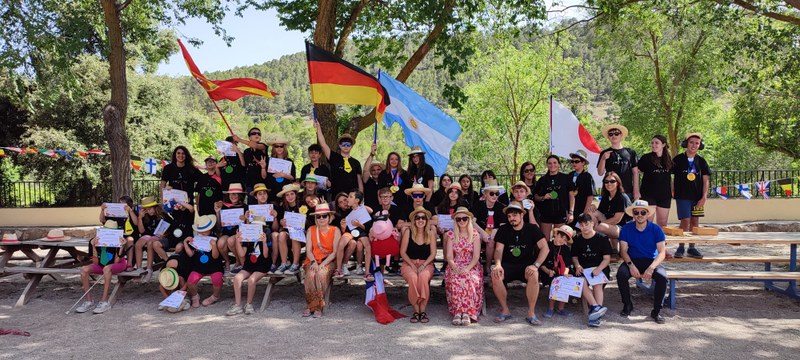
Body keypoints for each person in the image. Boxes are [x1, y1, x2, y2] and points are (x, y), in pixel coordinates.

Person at [491, 201, 549, 326]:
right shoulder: (503, 229)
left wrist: (536, 265)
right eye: (509, 216)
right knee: (496, 274)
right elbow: (498, 249)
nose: (512, 218)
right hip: (508, 264)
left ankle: (531, 313)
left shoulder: (532, 228)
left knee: (534, 274)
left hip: (526, 265)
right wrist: (498, 264)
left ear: (522, 215)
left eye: (515, 215)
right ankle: (505, 310)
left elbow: (545, 248)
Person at [617, 200, 668, 323]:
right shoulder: (626, 228)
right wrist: (630, 265)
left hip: (651, 261)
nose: (640, 214)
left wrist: (651, 268)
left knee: (662, 277)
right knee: (621, 275)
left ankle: (656, 311)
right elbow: (623, 250)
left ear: (647, 214)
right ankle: (627, 304)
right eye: (636, 212)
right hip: (632, 260)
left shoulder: (656, 229)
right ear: (633, 214)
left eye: (643, 212)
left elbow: (662, 252)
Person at [75, 220, 127, 314]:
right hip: (101, 265)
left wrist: (122, 247)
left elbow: (116, 261)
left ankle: (104, 301)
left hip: (118, 264)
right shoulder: (94, 241)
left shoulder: (119, 240)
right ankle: (89, 300)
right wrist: (94, 247)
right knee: (84, 270)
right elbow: (96, 262)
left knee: (107, 268)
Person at [672, 133, 710, 259]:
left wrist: (704, 197)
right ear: (686, 144)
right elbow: (668, 175)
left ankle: (692, 247)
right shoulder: (677, 160)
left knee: (695, 221)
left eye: (697, 143)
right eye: (691, 142)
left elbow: (705, 180)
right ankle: (681, 247)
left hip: (697, 197)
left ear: (700, 145)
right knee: (685, 220)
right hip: (682, 196)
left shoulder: (702, 161)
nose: (694, 145)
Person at [444, 207, 483, 326]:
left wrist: (467, 268)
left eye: (464, 218)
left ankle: (467, 312)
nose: (461, 221)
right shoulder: (451, 235)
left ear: (469, 220)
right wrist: (455, 267)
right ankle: (458, 311)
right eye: (459, 219)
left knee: (469, 278)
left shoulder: (475, 234)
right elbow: (449, 256)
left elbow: (476, 256)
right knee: (455, 278)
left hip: (472, 264)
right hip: (455, 263)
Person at [571, 213, 611, 327]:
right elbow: (574, 257)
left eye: (586, 224)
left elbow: (607, 258)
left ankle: (596, 314)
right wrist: (577, 265)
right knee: (582, 281)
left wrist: (599, 269)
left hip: (600, 267)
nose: (584, 227)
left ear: (592, 224)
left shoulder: (602, 238)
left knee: (597, 283)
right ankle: (596, 307)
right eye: (581, 225)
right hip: (583, 268)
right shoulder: (577, 239)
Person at [302, 203, 341, 318]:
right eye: (318, 216)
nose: (322, 218)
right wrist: (314, 262)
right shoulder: (311, 229)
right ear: (315, 218)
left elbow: (334, 252)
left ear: (329, 217)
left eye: (324, 216)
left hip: (328, 261)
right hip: (312, 260)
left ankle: (317, 306)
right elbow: (308, 250)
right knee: (310, 275)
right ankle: (311, 305)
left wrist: (322, 264)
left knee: (321, 274)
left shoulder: (335, 230)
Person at [227, 216, 271, 316]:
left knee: (252, 279)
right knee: (237, 278)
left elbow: (265, 255)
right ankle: (237, 305)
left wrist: (264, 243)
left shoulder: (266, 238)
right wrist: (238, 241)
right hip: (250, 265)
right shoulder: (249, 240)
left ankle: (249, 304)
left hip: (262, 265)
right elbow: (242, 254)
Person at [400, 207, 437, 324]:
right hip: (408, 262)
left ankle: (422, 310)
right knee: (413, 278)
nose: (420, 220)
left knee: (423, 277)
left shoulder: (430, 233)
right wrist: (411, 264)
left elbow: (433, 253)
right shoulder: (408, 232)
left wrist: (424, 265)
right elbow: (402, 252)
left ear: (426, 220)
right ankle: (416, 310)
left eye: (423, 218)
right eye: (417, 218)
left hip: (426, 263)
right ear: (414, 220)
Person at [184, 215, 224, 308]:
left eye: (205, 230)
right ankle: (195, 296)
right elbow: (190, 254)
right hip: (198, 267)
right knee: (190, 281)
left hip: (214, 266)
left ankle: (215, 296)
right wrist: (185, 243)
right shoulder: (196, 239)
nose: (203, 232)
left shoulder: (214, 238)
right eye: (201, 230)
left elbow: (215, 256)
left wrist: (214, 246)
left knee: (217, 279)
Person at [315, 121, 363, 196]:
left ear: (352, 146)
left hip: (353, 198)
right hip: (337, 196)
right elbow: (323, 144)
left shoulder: (356, 162)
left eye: (348, 144)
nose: (346, 146)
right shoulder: (334, 157)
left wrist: (361, 197)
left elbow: (359, 181)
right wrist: (318, 128)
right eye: (343, 144)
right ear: (339, 145)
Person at [533, 155, 576, 240]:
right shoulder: (542, 180)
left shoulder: (565, 178)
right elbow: (535, 196)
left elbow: (571, 196)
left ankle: (559, 254)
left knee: (560, 239)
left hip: (561, 213)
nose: (552, 165)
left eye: (555, 163)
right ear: (547, 165)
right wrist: (543, 197)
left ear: (559, 164)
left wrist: (571, 212)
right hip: (546, 213)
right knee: (544, 239)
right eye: (550, 163)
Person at [635, 135, 673, 227]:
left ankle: (661, 241)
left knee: (663, 224)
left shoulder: (668, 159)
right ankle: (646, 241)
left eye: (657, 143)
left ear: (663, 144)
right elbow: (636, 172)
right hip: (648, 195)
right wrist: (636, 190)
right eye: (652, 143)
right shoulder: (646, 158)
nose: (654, 145)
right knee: (647, 224)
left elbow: (671, 177)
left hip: (665, 196)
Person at [472, 180, 507, 274]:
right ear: (485, 194)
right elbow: (472, 222)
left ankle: (487, 265)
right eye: (492, 193)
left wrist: (493, 232)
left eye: (497, 193)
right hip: (479, 231)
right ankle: (476, 264)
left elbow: (502, 225)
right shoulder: (478, 205)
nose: (495, 196)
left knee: (491, 241)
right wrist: (482, 233)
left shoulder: (501, 207)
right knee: (476, 238)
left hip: (494, 232)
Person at [540, 225, 575, 319]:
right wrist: (548, 271)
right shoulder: (547, 245)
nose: (562, 241)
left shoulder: (565, 249)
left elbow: (567, 265)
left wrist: (565, 273)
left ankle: (561, 308)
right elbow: (541, 263)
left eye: (565, 240)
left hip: (562, 271)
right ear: (556, 234)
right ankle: (551, 308)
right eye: (561, 237)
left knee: (565, 280)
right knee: (555, 281)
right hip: (547, 272)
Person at [588, 171, 628, 251]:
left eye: (612, 181)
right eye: (606, 181)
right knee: (591, 212)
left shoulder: (622, 197)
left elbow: (617, 219)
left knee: (601, 227)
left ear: (618, 183)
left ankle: (602, 249)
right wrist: (592, 206)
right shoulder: (606, 196)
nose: (609, 183)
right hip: (610, 225)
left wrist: (597, 226)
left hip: (624, 228)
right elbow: (600, 213)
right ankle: (613, 250)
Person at [597, 124, 638, 200]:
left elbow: (635, 172)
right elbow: (600, 173)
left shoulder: (631, 152)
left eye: (616, 133)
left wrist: (636, 191)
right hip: (610, 191)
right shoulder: (604, 153)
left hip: (628, 191)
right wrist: (603, 159)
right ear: (608, 137)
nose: (614, 136)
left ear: (621, 135)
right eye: (611, 134)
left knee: (627, 212)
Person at [99, 196, 138, 270]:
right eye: (120, 203)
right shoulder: (115, 213)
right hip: (117, 235)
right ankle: (108, 263)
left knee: (129, 240)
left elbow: (136, 223)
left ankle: (129, 264)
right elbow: (102, 220)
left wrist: (130, 211)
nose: (121, 205)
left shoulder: (133, 212)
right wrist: (102, 210)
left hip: (130, 235)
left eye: (124, 204)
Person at [216, 183, 247, 273]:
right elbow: (219, 226)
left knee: (231, 240)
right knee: (221, 243)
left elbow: (248, 225)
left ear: (240, 195)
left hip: (239, 233)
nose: (233, 196)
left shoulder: (245, 207)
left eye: (236, 193)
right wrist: (217, 213)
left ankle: (238, 261)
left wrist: (244, 219)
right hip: (227, 233)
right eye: (231, 194)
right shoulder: (224, 207)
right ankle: (227, 261)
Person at [271, 183, 302, 275]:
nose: (290, 197)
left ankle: (295, 264)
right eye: (287, 195)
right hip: (288, 234)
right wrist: (281, 222)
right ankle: (284, 263)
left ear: (296, 194)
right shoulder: (282, 208)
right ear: (284, 197)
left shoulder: (302, 205)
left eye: (292, 194)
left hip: (302, 233)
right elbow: (278, 227)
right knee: (281, 235)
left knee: (295, 234)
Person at [233, 127, 268, 204]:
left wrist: (239, 140)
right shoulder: (247, 151)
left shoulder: (263, 147)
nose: (257, 135)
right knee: (252, 207)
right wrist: (238, 151)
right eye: (254, 133)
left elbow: (255, 145)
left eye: (259, 133)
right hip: (250, 184)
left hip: (262, 183)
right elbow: (243, 164)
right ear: (249, 137)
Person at [133, 196, 166, 273]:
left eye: (150, 209)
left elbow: (169, 227)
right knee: (138, 244)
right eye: (146, 209)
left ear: (155, 207)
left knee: (150, 242)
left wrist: (164, 234)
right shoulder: (145, 216)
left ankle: (149, 268)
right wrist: (140, 218)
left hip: (159, 235)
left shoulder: (163, 215)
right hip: (148, 235)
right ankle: (139, 268)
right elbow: (141, 231)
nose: (148, 211)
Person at [332, 192, 358, 277]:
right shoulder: (337, 216)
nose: (344, 203)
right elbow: (336, 232)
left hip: (356, 236)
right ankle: (340, 268)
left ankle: (342, 266)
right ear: (338, 205)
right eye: (341, 202)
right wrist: (342, 227)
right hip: (342, 239)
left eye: (345, 200)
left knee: (353, 243)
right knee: (348, 242)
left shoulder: (355, 210)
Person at [265, 135, 297, 201]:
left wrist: (283, 175)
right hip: (272, 191)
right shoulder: (269, 161)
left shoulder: (289, 161)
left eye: (281, 146)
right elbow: (265, 177)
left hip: (286, 192)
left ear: (284, 148)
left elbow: (293, 177)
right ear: (273, 148)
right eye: (276, 146)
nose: (279, 148)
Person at [568, 150, 596, 224]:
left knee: (580, 231)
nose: (574, 163)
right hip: (570, 210)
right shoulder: (569, 175)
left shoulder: (587, 176)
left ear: (583, 163)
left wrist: (585, 213)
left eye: (576, 161)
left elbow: (590, 196)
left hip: (582, 209)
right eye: (572, 161)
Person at [362, 146, 384, 210]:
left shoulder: (385, 182)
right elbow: (365, 170)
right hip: (369, 211)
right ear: (370, 172)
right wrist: (371, 155)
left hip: (383, 211)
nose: (376, 172)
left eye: (378, 169)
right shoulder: (367, 181)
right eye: (373, 170)